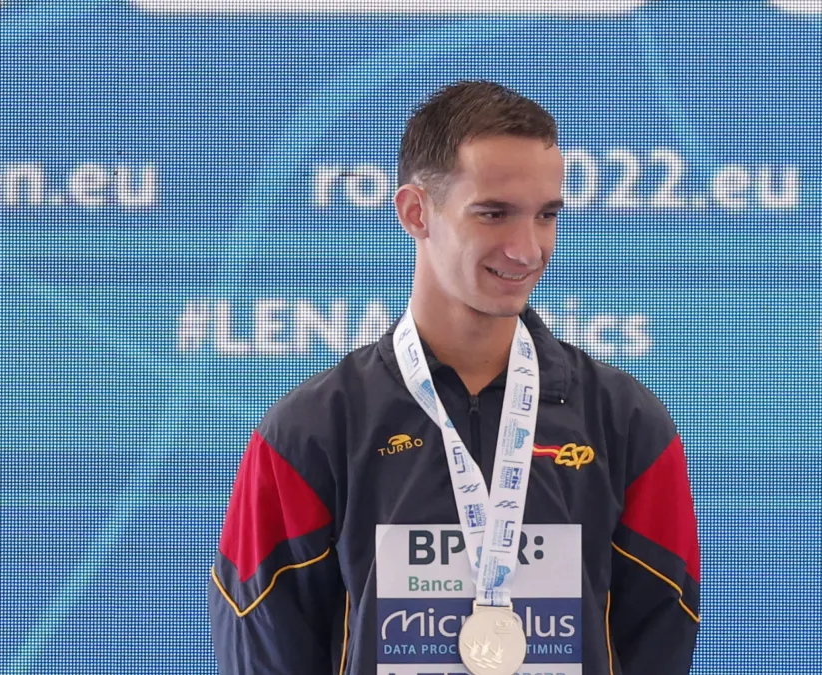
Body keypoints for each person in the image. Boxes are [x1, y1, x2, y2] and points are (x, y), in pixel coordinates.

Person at [208, 80, 701, 675]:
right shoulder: (310, 431)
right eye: (494, 214)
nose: (527, 249)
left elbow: (662, 634)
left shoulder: (626, 423)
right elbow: (262, 640)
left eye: (546, 215)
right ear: (416, 212)